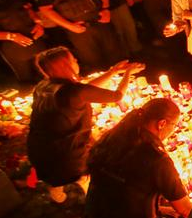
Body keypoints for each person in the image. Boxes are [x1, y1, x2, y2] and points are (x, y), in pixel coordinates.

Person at [80, 98, 191, 218]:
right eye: (174, 126)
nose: (173, 132)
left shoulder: (114, 137)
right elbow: (186, 210)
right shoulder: (156, 158)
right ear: (162, 123)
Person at [26, 47, 140, 203]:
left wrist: (113, 71)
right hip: (66, 153)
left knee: (54, 173)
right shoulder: (73, 91)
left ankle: (56, 191)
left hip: (39, 149)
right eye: (73, 59)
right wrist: (128, 73)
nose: (76, 61)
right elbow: (117, 96)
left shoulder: (43, 86)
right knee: (91, 168)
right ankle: (93, 197)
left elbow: (86, 89)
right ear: (65, 65)